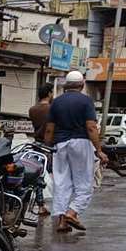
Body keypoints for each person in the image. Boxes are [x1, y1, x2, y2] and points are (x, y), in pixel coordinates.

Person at [43, 71, 108, 233]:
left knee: (61, 183)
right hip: (81, 143)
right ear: (82, 84)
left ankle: (61, 222)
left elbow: (49, 129)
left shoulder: (56, 102)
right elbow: (91, 127)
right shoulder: (86, 101)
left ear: (66, 85)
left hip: (60, 144)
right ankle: (72, 213)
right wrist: (99, 150)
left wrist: (47, 148)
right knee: (84, 183)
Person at [28, 83, 55, 216]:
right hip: (50, 146)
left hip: (36, 145)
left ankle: (40, 205)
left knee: (38, 175)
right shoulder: (52, 109)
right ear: (49, 93)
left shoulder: (32, 109)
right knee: (56, 176)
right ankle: (59, 206)